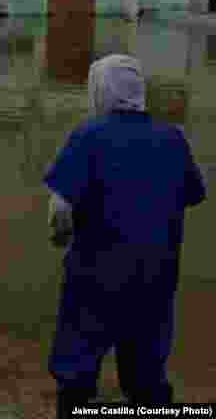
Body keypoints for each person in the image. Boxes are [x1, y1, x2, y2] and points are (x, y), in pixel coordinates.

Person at [44, 54, 206, 418]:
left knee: (78, 370)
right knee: (147, 374)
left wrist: (61, 238)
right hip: (156, 276)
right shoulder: (173, 138)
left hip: (95, 275)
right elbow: (193, 194)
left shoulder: (88, 135)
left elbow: (60, 211)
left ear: (99, 90)